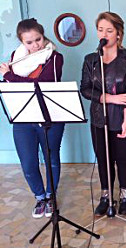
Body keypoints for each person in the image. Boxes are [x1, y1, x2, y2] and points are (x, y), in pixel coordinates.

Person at [80, 12, 126, 216]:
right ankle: (106, 196)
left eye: (109, 30)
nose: (104, 34)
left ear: (118, 33)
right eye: (100, 30)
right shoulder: (90, 60)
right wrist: (110, 98)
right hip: (100, 118)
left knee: (124, 158)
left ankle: (125, 195)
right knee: (103, 159)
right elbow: (85, 89)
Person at [0, 18, 65, 219]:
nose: (36, 45)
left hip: (49, 117)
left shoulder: (54, 57)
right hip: (23, 118)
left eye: (39, 39)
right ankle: (40, 197)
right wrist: (9, 78)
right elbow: (15, 89)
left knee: (51, 159)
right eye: (29, 42)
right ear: (21, 42)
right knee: (28, 163)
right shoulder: (15, 57)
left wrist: (9, 77)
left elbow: (41, 84)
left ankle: (51, 196)